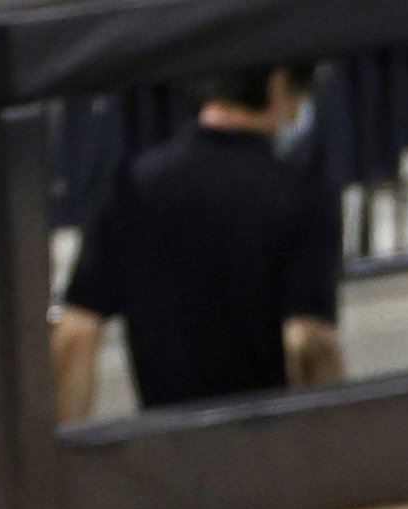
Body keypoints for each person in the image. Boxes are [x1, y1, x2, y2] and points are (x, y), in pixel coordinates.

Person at [52, 68, 345, 422]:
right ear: (278, 84)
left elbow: (75, 336)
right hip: (267, 445)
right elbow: (307, 341)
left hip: (166, 443)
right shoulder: (302, 197)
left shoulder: (134, 186)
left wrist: (60, 465)